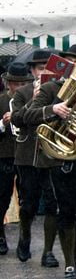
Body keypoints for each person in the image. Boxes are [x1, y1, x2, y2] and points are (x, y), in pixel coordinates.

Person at [21, 43, 76, 279]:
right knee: (66, 211)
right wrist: (53, 109)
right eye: (73, 61)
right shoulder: (51, 88)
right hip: (61, 158)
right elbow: (27, 115)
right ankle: (69, 262)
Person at [10, 49, 59, 266]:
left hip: (52, 154)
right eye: (40, 68)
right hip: (28, 155)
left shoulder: (60, 90)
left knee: (52, 204)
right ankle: (25, 237)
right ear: (32, 71)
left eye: (49, 68)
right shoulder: (23, 92)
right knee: (28, 203)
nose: (45, 72)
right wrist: (35, 99)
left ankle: (48, 251)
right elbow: (17, 119)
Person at [0, 62, 34, 255]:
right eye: (16, 84)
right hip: (5, 154)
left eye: (23, 84)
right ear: (8, 83)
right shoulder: (1, 100)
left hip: (26, 154)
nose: (20, 88)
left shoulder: (34, 100)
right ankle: (1, 235)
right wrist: (3, 123)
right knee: (2, 196)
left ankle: (24, 236)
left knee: (27, 198)